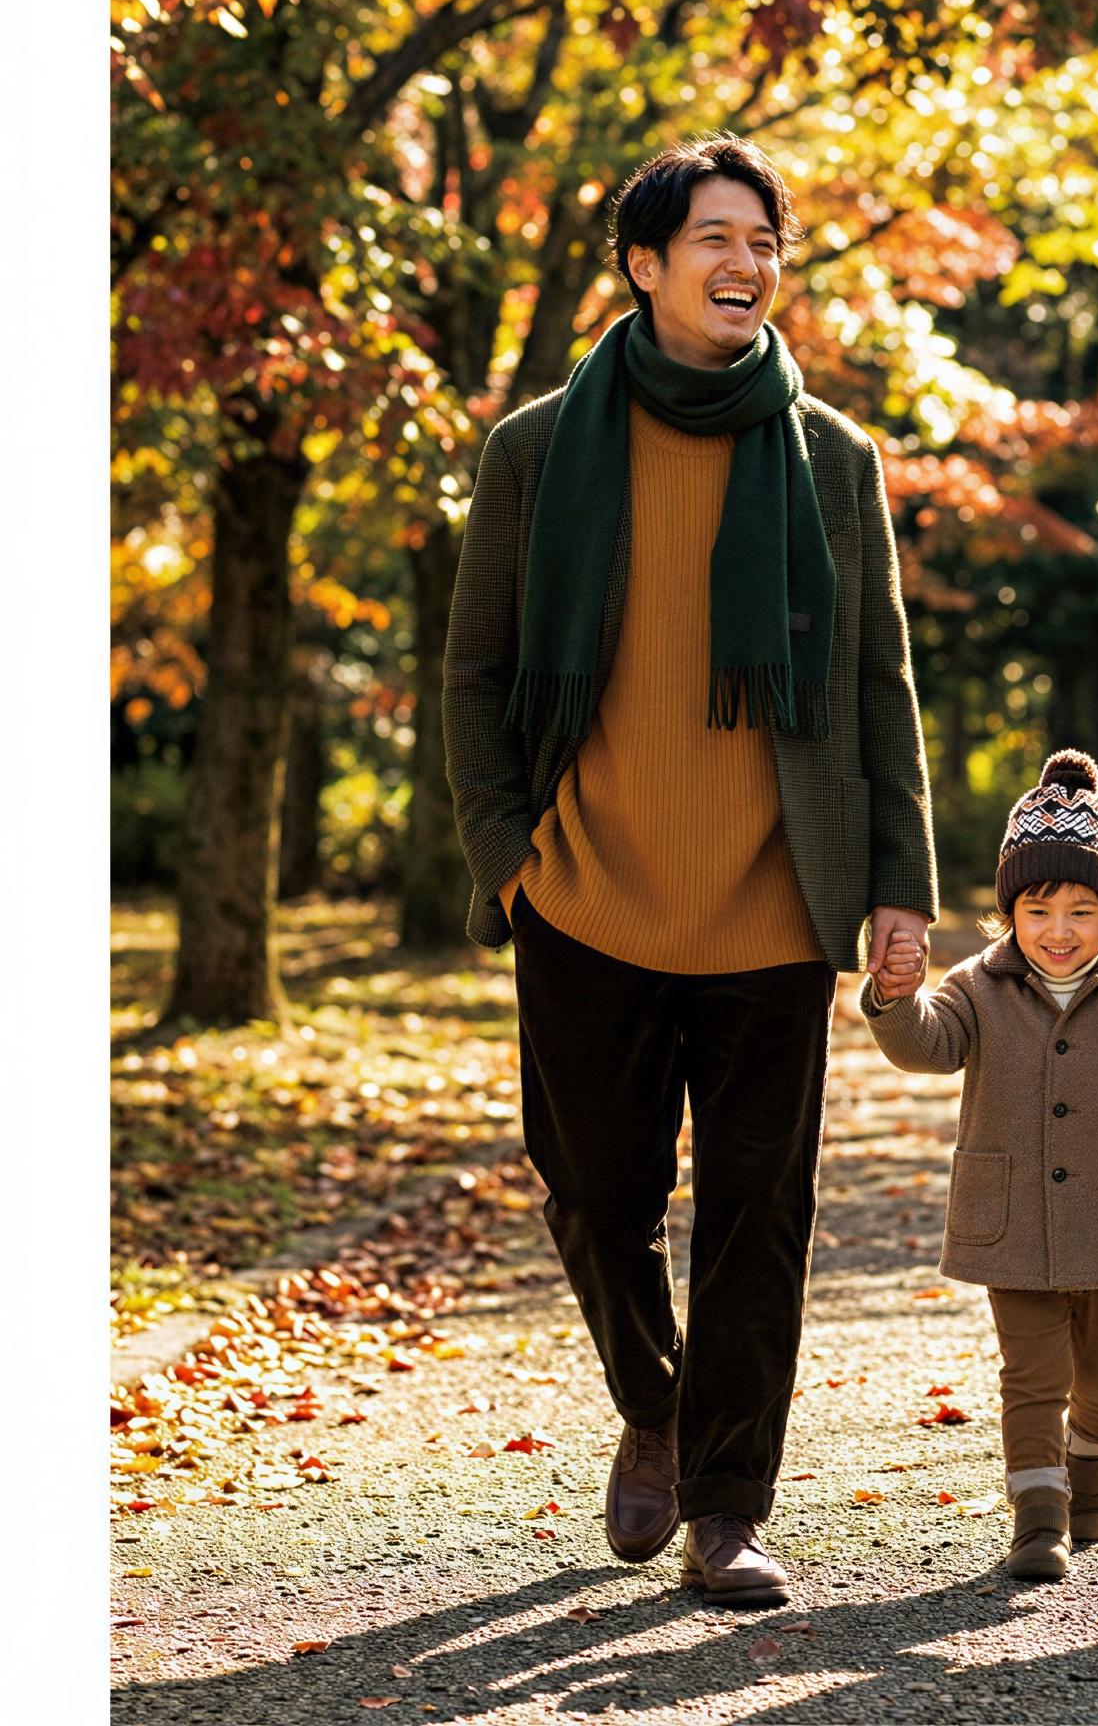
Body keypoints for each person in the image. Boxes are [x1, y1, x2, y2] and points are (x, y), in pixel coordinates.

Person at [442, 134, 937, 1608]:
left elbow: (877, 684)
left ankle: (727, 1505)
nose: (746, 266)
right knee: (591, 1191)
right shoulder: (538, 448)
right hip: (584, 892)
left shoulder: (832, 460)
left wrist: (896, 884)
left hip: (775, 899)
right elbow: (474, 677)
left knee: (757, 1216)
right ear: (644, 265)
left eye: (765, 243)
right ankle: (653, 1401)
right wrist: (509, 860)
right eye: (715, 239)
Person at [862, 750, 1098, 1582]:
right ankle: (1038, 1517)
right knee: (1031, 1371)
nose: (1060, 932)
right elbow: (928, 1045)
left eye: (1082, 909)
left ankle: (1091, 1467)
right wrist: (896, 999)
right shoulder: (977, 984)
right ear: (1010, 913)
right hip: (1015, 1217)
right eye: (1039, 910)